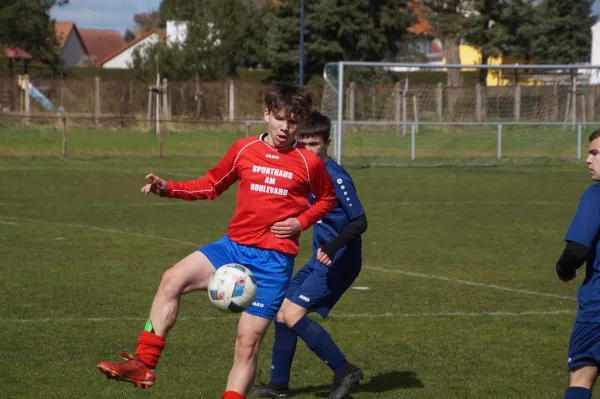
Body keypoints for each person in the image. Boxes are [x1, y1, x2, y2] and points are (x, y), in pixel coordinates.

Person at [96, 83, 338, 399]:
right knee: (172, 279)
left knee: (246, 343)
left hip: (273, 264)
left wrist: (301, 221)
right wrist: (168, 188)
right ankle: (143, 363)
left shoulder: (309, 162)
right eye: (279, 118)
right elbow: (211, 185)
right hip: (231, 248)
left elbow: (327, 199)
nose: (285, 127)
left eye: (293, 122)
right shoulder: (243, 149)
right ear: (266, 113)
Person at [249, 110, 368, 399]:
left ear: (327, 142)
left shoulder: (337, 178)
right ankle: (279, 386)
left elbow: (360, 222)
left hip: (340, 260)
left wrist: (331, 247)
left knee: (291, 313)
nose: (307, 148)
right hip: (320, 258)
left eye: (314, 143)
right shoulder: (306, 170)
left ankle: (344, 371)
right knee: (281, 312)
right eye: (303, 142)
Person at [557, 129, 600, 399]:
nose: (588, 159)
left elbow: (577, 249)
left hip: (598, 308)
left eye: (595, 153)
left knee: (582, 374)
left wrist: (564, 269)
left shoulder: (596, 195)